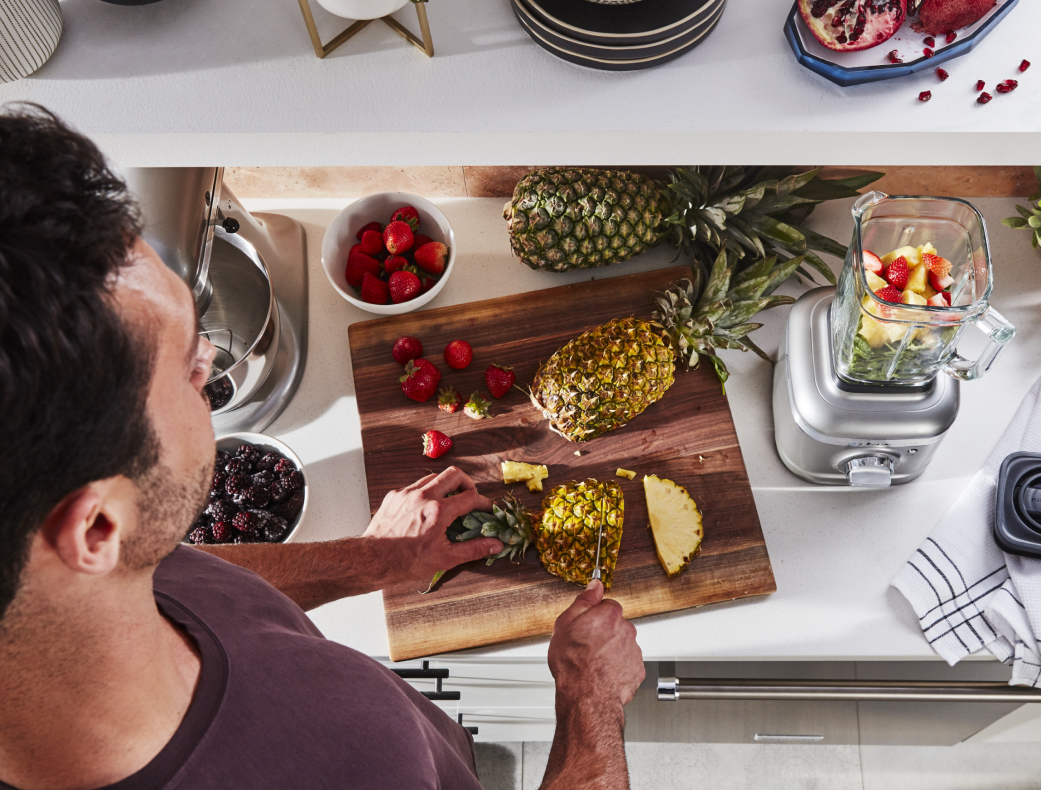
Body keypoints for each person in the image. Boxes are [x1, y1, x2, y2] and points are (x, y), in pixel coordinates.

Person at [0, 104, 647, 790]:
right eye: (187, 370)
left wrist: (376, 558)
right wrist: (589, 702)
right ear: (96, 525)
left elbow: (179, 572)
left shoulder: (63, 560)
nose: (209, 364)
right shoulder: (351, 761)